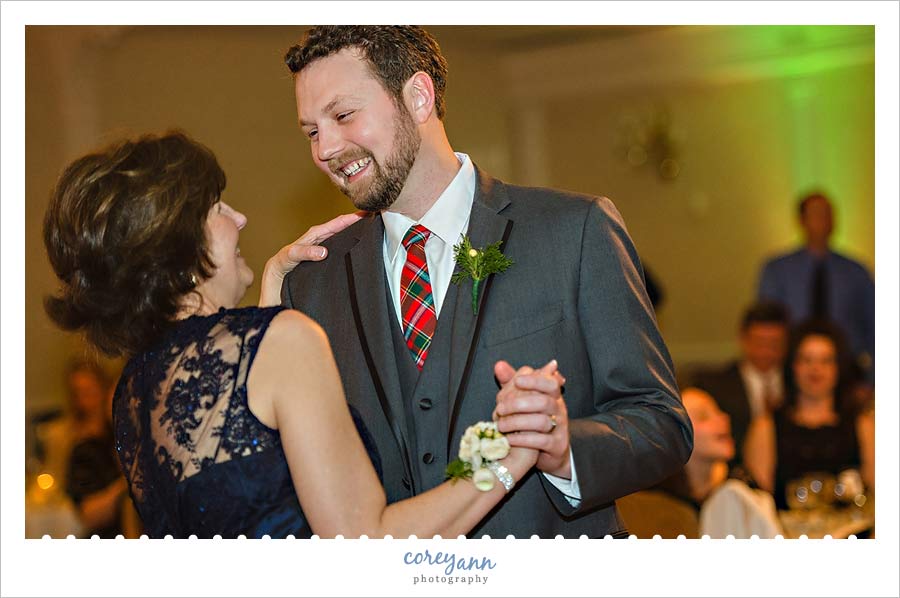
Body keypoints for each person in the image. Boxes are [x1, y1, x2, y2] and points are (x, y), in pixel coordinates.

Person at [278, 26, 692, 538]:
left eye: (342, 116)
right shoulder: (312, 286)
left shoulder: (574, 230)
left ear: (418, 96)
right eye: (311, 132)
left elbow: (661, 423)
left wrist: (564, 449)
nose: (325, 149)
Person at [42, 131, 545, 538]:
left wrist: (272, 293)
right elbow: (365, 545)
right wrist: (511, 454)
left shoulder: (135, 389)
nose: (239, 218)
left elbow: (245, 470)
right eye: (217, 209)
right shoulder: (285, 341)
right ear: (177, 251)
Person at [743, 320, 875, 510]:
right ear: (792, 366)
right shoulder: (766, 427)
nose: (815, 369)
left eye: (825, 361)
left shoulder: (863, 425)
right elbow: (758, 505)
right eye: (806, 360)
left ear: (838, 368)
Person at [619, 388, 780, 538]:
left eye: (719, 411)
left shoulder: (741, 488)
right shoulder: (650, 502)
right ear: (672, 434)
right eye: (703, 416)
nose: (723, 418)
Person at [757, 192, 875, 386]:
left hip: (847, 369)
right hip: (791, 368)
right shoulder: (777, 270)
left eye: (827, 214)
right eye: (816, 214)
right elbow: (767, 326)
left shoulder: (856, 272)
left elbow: (873, 326)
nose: (822, 221)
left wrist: (872, 379)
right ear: (801, 220)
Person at [692, 301, 789, 465]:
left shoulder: (797, 382)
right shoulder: (715, 386)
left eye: (774, 344)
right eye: (759, 342)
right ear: (743, 339)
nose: (766, 351)